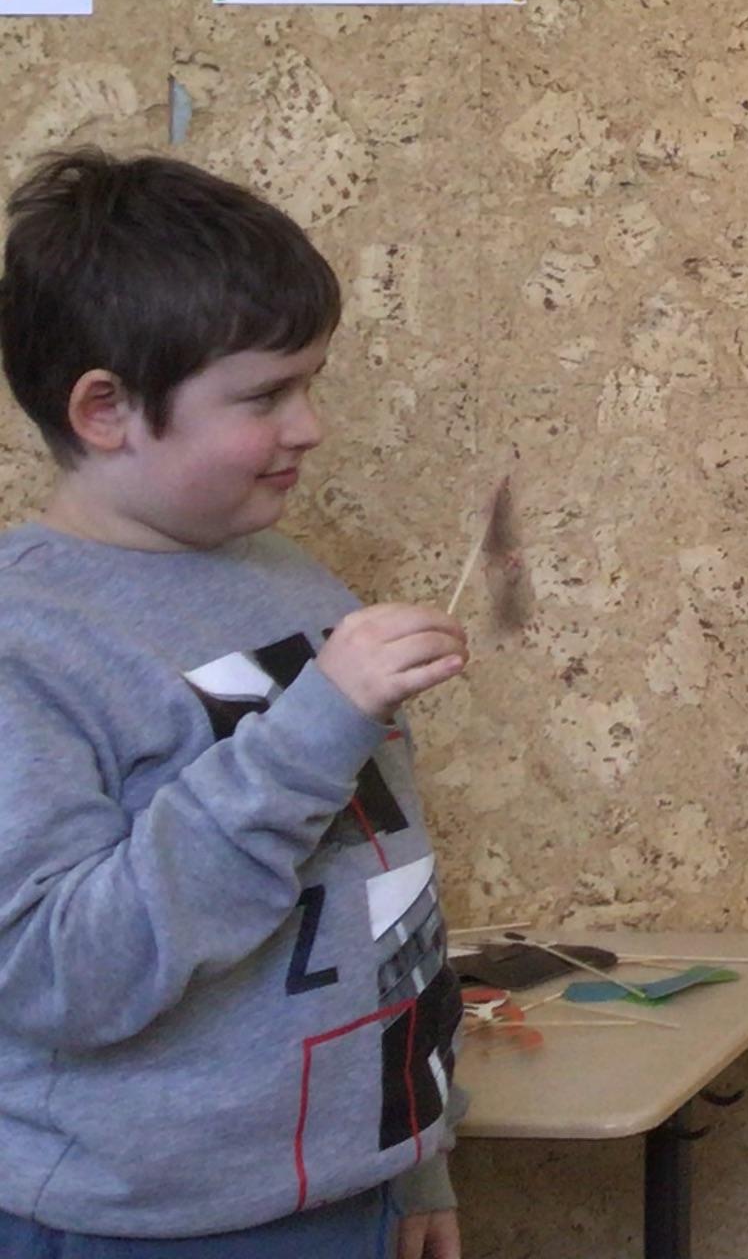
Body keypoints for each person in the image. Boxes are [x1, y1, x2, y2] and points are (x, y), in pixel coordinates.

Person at [0, 150, 468, 1257]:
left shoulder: (292, 579)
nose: (309, 426)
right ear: (107, 409)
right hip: (149, 1228)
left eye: (311, 382)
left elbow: (373, 891)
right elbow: (61, 976)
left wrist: (415, 1160)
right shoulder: (28, 641)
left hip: (352, 1193)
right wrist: (310, 731)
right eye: (265, 395)